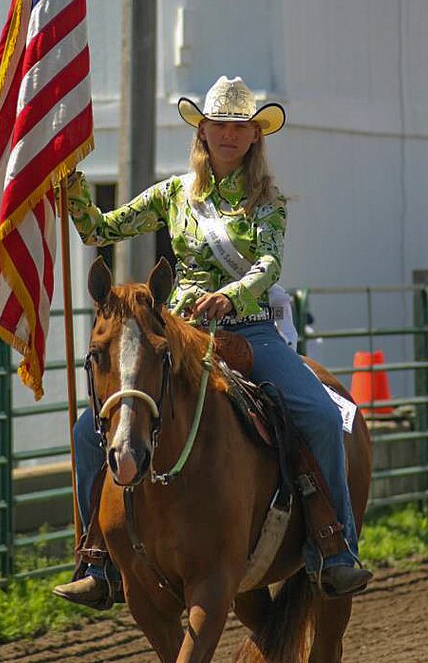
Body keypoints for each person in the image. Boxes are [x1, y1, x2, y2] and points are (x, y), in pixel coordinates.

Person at [53, 75, 372, 608]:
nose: (229, 134)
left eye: (239, 126)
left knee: (319, 413)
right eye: (219, 124)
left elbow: (269, 263)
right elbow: (99, 230)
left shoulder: (268, 202)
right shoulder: (174, 194)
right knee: (91, 428)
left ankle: (333, 548)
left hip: (249, 330)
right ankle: (96, 557)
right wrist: (74, 185)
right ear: (203, 133)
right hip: (179, 335)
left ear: (254, 138)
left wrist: (232, 293)